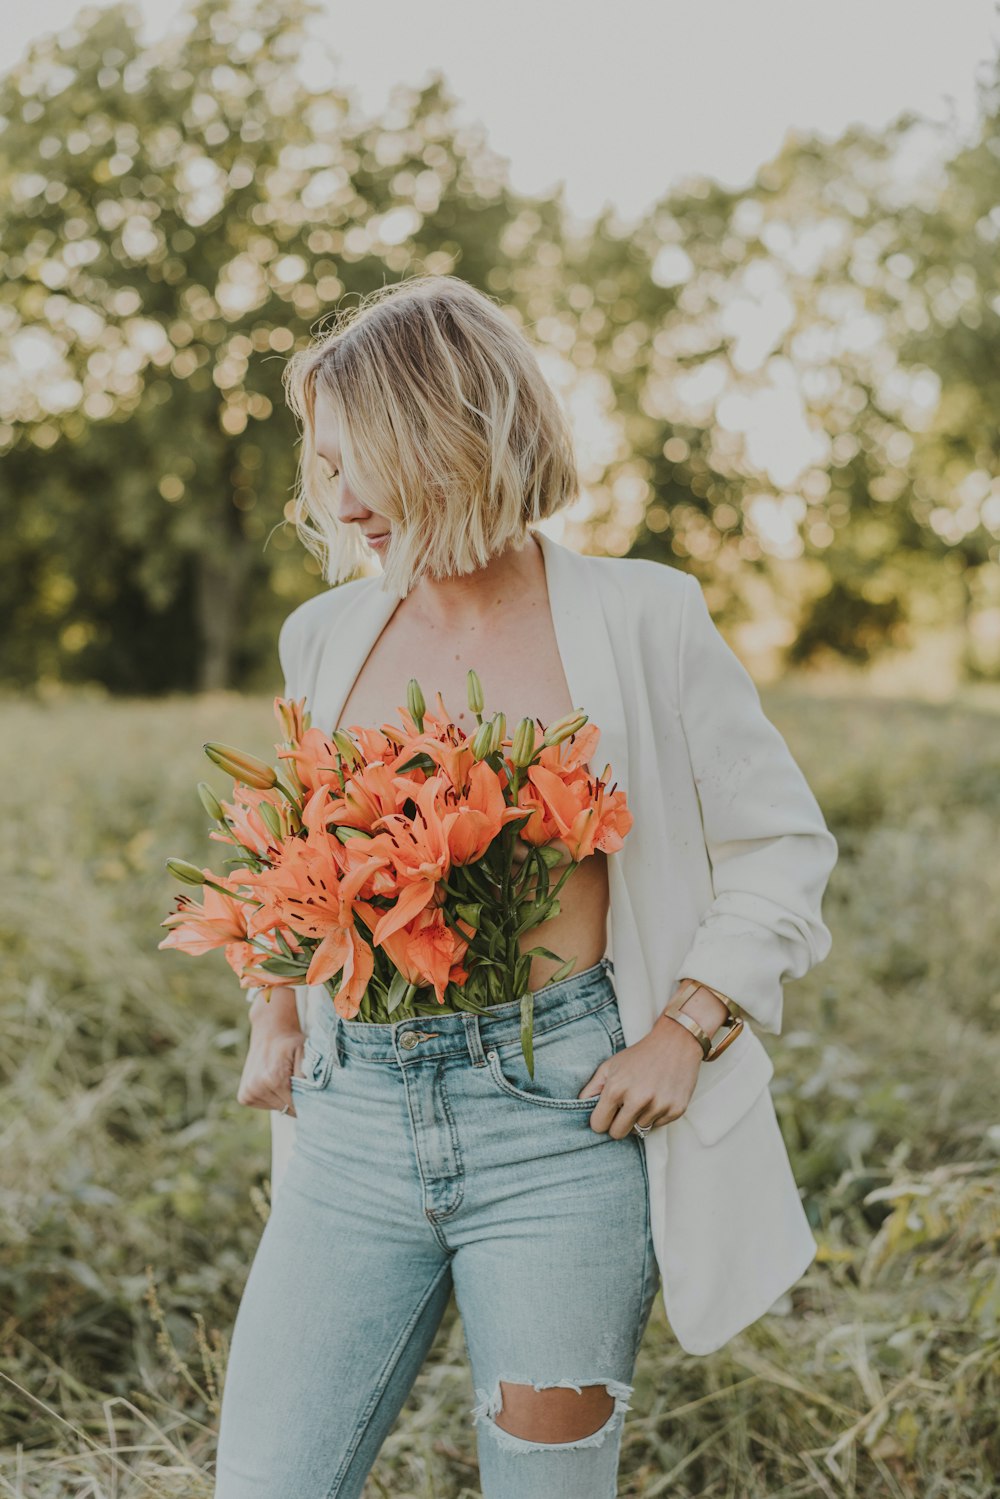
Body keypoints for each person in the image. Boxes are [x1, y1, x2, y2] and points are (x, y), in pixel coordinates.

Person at [212, 275, 838, 1499]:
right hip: (350, 1125)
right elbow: (297, 858)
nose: (339, 503)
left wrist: (685, 1023)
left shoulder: (646, 617)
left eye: (366, 463)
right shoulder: (323, 634)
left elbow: (781, 844)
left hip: (559, 1128)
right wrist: (275, 1007)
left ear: (458, 437)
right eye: (325, 465)